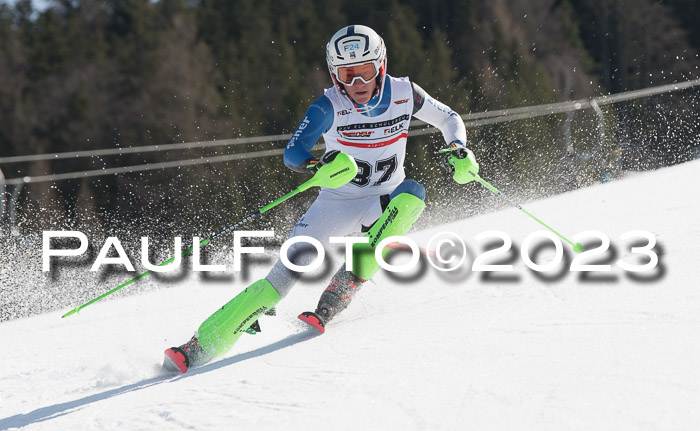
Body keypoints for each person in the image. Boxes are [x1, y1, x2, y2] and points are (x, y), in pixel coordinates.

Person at [163, 25, 479, 373]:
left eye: (365, 72)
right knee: (284, 275)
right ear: (335, 74)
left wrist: (458, 148)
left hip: (385, 198)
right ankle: (198, 347)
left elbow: (449, 118)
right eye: (347, 75)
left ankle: (340, 290)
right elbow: (294, 152)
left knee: (413, 194)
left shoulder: (406, 92)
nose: (357, 83)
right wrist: (318, 163)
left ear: (381, 65)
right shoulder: (329, 104)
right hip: (336, 202)